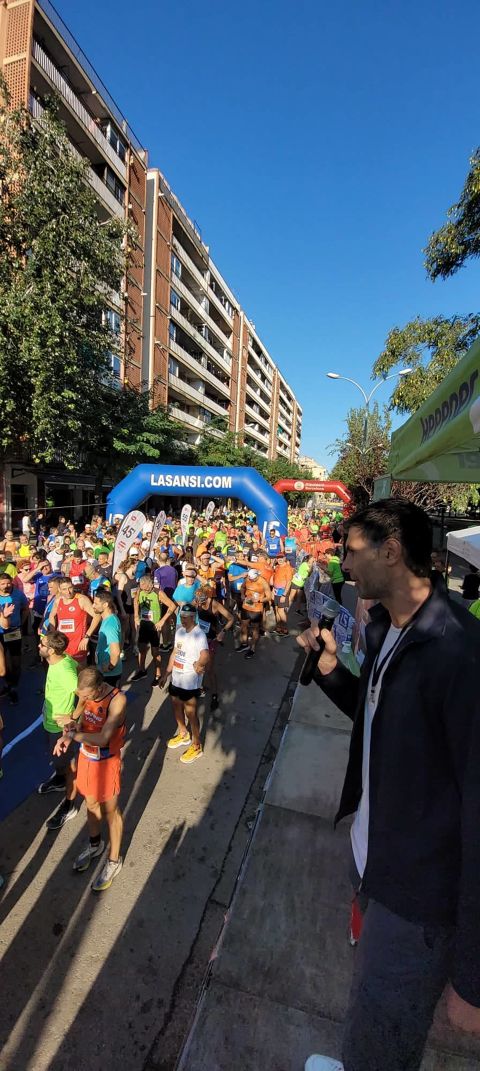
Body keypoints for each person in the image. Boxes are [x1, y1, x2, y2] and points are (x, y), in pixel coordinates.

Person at [300, 499, 480, 1071]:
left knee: (382, 1038)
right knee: (368, 1008)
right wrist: (330, 671)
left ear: (393, 550)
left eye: (352, 551)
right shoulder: (387, 629)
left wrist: (472, 977)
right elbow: (382, 723)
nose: (344, 564)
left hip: (419, 899)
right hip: (374, 863)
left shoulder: (459, 652)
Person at [54, 665, 127, 892]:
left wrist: (74, 735)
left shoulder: (117, 700)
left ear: (98, 688)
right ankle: (95, 845)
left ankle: (114, 860)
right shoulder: (86, 695)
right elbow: (77, 719)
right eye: (80, 694)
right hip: (86, 758)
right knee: (91, 804)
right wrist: (67, 733)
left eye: (85, 695)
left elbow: (104, 738)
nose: (81, 698)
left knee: (110, 812)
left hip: (107, 762)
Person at [37, 630, 79, 830]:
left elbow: (85, 694)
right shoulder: (61, 660)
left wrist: (72, 718)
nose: (39, 646)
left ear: (51, 650)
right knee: (59, 763)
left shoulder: (65, 671)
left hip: (60, 729)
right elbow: (81, 668)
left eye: (42, 644)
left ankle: (69, 806)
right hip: (49, 723)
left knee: (71, 768)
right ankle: (60, 779)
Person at [162, 603, 209, 765]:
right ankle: (183, 734)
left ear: (193, 617)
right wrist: (166, 673)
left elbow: (205, 654)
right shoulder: (180, 631)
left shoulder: (199, 635)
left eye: (186, 617)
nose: (182, 620)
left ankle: (196, 746)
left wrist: (200, 665)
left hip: (189, 681)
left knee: (191, 714)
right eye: (181, 617)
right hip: (176, 678)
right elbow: (175, 652)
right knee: (175, 705)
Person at [195, 585, 234, 711]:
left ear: (207, 596)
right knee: (197, 664)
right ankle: (200, 688)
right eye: (197, 598)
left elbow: (231, 618)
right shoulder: (196, 602)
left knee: (209, 669)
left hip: (211, 640)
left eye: (201, 598)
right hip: (198, 639)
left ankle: (215, 695)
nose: (199, 601)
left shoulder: (215, 604)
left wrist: (223, 632)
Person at [132, 574, 176, 685]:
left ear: (150, 584)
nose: (142, 587)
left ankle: (158, 674)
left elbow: (172, 606)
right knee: (141, 648)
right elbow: (136, 601)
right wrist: (136, 616)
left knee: (155, 651)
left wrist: (162, 621)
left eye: (143, 585)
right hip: (143, 624)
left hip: (154, 626)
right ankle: (142, 670)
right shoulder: (139, 591)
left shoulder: (158, 593)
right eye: (141, 585)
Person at [50, 577, 96, 665]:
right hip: (62, 644)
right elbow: (52, 616)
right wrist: (53, 634)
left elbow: (97, 616)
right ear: (59, 589)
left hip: (78, 645)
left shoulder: (82, 599)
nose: (68, 592)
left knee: (80, 674)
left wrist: (87, 637)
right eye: (64, 589)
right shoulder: (58, 601)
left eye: (70, 588)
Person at [0, 572, 29, 702]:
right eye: (2, 584)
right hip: (0, 634)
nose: (6, 586)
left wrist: (21, 624)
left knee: (15, 662)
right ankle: (7, 685)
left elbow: (26, 609)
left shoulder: (18, 594)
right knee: (4, 665)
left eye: (8, 583)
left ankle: (14, 687)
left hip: (14, 632)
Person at [237, 567, 272, 659]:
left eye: (253, 579)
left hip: (256, 609)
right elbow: (242, 587)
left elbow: (269, 597)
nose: (251, 580)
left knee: (255, 629)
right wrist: (242, 594)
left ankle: (252, 649)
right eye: (250, 578)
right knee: (243, 626)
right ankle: (245, 644)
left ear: (257, 576)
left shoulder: (263, 582)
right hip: (246, 606)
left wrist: (260, 599)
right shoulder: (248, 579)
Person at [272, 552, 294, 635]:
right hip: (276, 591)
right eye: (278, 558)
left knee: (281, 611)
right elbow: (275, 578)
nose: (279, 559)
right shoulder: (277, 567)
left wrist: (284, 595)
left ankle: (285, 630)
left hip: (283, 592)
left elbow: (289, 582)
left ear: (285, 558)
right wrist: (273, 589)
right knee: (276, 609)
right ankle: (278, 628)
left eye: (281, 557)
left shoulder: (287, 568)